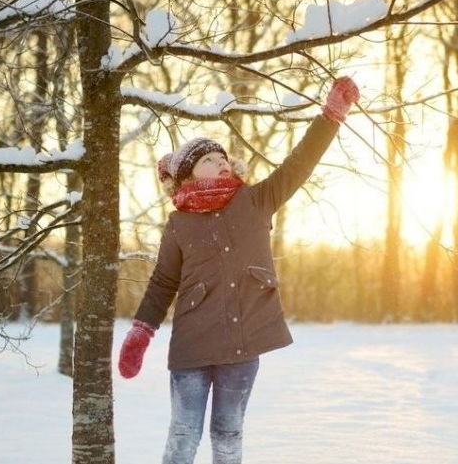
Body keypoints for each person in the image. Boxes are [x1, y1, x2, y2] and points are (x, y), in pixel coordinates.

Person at [117, 76, 360, 464]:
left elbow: (299, 164)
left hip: (242, 345)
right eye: (209, 160)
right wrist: (141, 332)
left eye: (223, 157)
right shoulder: (179, 223)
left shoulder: (256, 201)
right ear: (189, 174)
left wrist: (331, 115)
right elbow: (164, 282)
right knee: (183, 434)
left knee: (228, 433)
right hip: (192, 346)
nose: (221, 162)